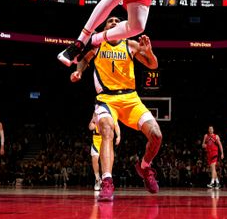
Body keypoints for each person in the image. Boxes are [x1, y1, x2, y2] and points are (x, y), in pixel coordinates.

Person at [70, 16, 163, 201]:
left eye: (116, 21)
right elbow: (84, 60)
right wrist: (79, 71)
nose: (113, 22)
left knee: (156, 135)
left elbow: (153, 65)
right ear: (105, 27)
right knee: (106, 130)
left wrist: (149, 52)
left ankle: (144, 167)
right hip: (106, 98)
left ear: (122, 27)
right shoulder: (98, 44)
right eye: (109, 21)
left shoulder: (131, 44)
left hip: (130, 99)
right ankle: (107, 181)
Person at [89, 110, 121, 191]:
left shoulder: (112, 113)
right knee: (95, 159)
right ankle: (97, 179)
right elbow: (90, 127)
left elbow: (116, 125)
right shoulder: (96, 113)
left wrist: (118, 136)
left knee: (107, 160)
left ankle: (107, 179)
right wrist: (94, 120)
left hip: (106, 139)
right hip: (96, 140)